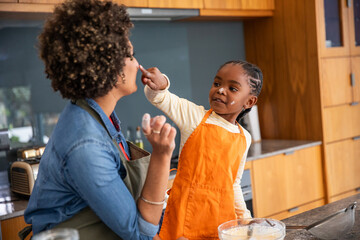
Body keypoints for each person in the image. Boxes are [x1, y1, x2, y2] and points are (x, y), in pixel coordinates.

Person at [24, 0, 178, 239]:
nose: (138, 65)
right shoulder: (86, 145)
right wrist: (162, 154)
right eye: (131, 56)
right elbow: (139, 234)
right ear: (112, 70)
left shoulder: (95, 116)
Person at [140, 60, 263, 239]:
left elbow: (233, 183)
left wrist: (246, 219)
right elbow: (160, 97)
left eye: (232, 88)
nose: (221, 90)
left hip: (221, 223)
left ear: (249, 101)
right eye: (217, 84)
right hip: (184, 217)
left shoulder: (245, 137)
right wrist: (162, 84)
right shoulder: (194, 116)